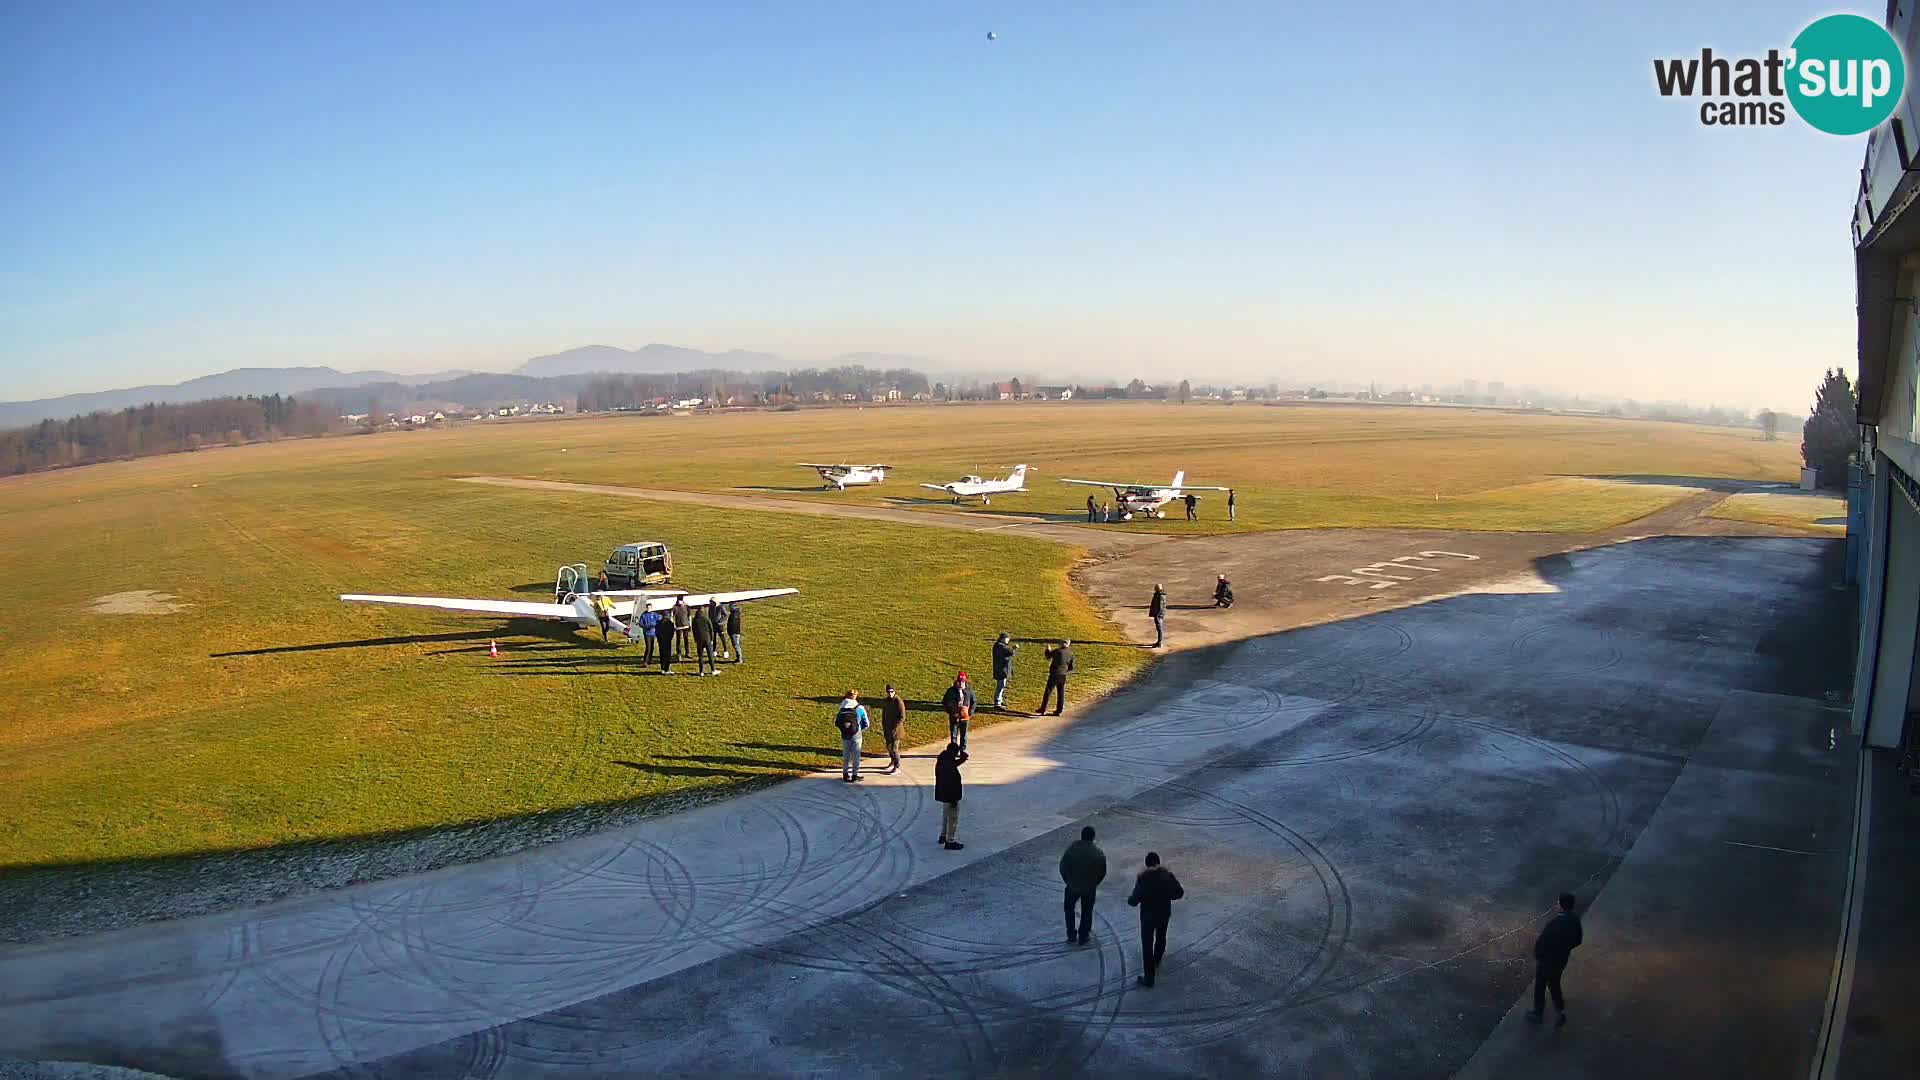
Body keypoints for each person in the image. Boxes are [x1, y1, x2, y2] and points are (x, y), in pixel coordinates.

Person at [1126, 851, 1185, 987]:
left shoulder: (1143, 878)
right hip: (1164, 913)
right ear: (1158, 863)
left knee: (1147, 944)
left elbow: (1134, 900)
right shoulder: (1167, 876)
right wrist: (1168, 896)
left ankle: (1149, 977)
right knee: (1161, 936)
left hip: (1148, 916)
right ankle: (1157, 960)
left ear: (1147, 864)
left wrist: (1130, 900)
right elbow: (1179, 893)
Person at [1527, 893, 1584, 1027]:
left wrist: (1539, 955)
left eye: (1558, 902)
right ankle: (1560, 1011)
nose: (1556, 904)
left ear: (1562, 906)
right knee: (1554, 985)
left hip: (1547, 961)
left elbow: (1542, 943)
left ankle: (1538, 1014)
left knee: (1540, 987)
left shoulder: (1554, 925)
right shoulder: (1575, 920)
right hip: (1560, 961)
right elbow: (1578, 940)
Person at [1059, 826, 1109, 945]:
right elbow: (1102, 872)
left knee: (1069, 909)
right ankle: (1083, 935)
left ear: (1082, 836)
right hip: (1089, 888)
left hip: (1072, 886)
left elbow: (1063, 867)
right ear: (1093, 837)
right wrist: (1094, 883)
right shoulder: (1098, 853)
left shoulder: (1072, 850)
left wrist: (1068, 881)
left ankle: (1071, 935)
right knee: (1087, 911)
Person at [934, 740, 968, 848]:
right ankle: (950, 841)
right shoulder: (948, 765)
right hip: (951, 795)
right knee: (952, 818)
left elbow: (953, 764)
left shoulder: (943, 758)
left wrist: (962, 760)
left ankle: (943, 836)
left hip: (943, 794)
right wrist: (954, 799)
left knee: (945, 816)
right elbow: (951, 781)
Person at [834, 690, 870, 782]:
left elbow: (837, 722)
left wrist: (844, 729)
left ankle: (845, 774)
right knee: (856, 756)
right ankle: (854, 775)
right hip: (856, 735)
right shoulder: (860, 708)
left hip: (845, 735)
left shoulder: (842, 707)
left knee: (846, 755)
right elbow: (866, 723)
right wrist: (858, 729)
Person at [943, 672, 977, 750]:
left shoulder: (969, 690)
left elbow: (974, 701)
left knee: (963, 734)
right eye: (959, 681)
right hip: (954, 715)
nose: (961, 683)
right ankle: (953, 750)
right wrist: (950, 711)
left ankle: (963, 749)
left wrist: (970, 712)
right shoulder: (951, 691)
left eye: (962, 681)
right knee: (954, 734)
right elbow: (945, 702)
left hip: (964, 716)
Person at [1040, 639, 1074, 716]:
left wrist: (1047, 650)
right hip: (1063, 675)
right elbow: (1071, 667)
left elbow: (1048, 656)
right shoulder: (1070, 653)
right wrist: (1065, 671)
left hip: (1054, 674)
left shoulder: (1057, 651)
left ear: (1061, 644)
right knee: (1061, 693)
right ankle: (1059, 710)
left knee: (1048, 692)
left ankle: (1043, 709)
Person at [881, 685, 907, 773]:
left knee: (894, 748)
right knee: (888, 747)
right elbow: (884, 714)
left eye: (892, 691)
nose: (890, 693)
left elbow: (902, 716)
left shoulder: (898, 701)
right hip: (887, 729)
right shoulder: (886, 701)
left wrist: (895, 726)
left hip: (896, 730)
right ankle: (892, 761)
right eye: (888, 692)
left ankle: (897, 765)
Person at [690, 603, 719, 675]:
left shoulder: (694, 620)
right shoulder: (706, 618)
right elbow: (711, 629)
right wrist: (712, 639)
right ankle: (713, 670)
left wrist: (695, 639)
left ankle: (701, 671)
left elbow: (694, 630)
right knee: (710, 655)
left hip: (699, 639)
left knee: (700, 656)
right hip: (707, 638)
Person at [991, 633, 1018, 708]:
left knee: (1001, 686)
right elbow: (1010, 652)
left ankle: (999, 700)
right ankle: (997, 702)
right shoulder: (1000, 646)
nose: (1008, 640)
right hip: (1001, 670)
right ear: (1003, 638)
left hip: (1001, 669)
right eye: (1007, 639)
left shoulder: (998, 645)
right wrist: (1014, 648)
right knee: (1000, 686)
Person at [656, 609, 676, 674]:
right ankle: (667, 669)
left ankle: (662, 669)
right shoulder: (670, 623)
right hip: (668, 640)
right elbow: (672, 632)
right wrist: (670, 638)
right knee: (668, 655)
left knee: (662, 654)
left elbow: (657, 632)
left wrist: (659, 639)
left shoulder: (658, 623)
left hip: (661, 640)